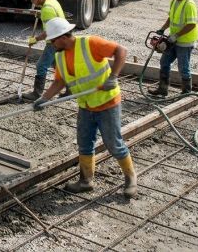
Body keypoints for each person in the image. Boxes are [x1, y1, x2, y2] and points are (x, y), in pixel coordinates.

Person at [36, 17, 138, 198]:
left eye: (53, 40)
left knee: (114, 144)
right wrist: (44, 98)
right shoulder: (59, 56)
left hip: (107, 103)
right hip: (85, 106)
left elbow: (121, 50)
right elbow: (60, 81)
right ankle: (86, 181)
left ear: (63, 37)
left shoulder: (90, 43)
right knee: (84, 144)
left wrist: (113, 76)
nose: (51, 44)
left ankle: (130, 178)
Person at [149, 0, 198, 96]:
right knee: (164, 62)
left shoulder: (189, 4)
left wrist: (176, 35)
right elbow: (171, 18)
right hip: (173, 40)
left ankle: (186, 92)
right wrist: (162, 28)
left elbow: (191, 24)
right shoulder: (174, 2)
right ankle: (163, 89)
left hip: (185, 42)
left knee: (183, 67)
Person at [23, 0, 65, 100]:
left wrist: (35, 39)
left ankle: (37, 93)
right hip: (62, 38)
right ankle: (70, 88)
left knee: (41, 66)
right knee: (57, 66)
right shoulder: (52, 1)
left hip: (54, 41)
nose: (33, 2)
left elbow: (49, 32)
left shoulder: (47, 9)